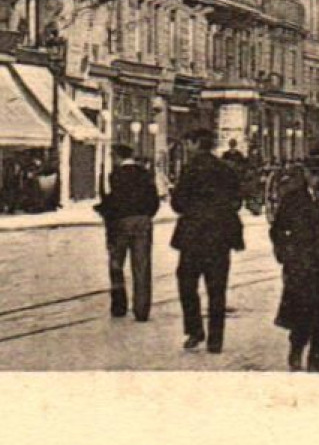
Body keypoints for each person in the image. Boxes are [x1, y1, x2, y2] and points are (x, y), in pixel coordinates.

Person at [270, 156, 319, 372]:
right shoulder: (292, 199)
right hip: (301, 267)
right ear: (305, 174)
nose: (318, 178)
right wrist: (285, 254)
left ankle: (317, 362)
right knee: (300, 317)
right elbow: (277, 230)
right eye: (314, 173)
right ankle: (296, 350)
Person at [171, 127, 244, 353]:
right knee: (217, 289)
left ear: (194, 143)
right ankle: (215, 340)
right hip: (220, 237)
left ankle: (195, 330)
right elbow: (236, 201)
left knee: (187, 283)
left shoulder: (190, 169)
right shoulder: (227, 169)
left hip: (193, 236)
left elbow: (178, 204)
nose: (187, 148)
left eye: (188, 143)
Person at [96, 143, 160, 321]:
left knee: (116, 264)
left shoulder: (115, 176)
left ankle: (119, 305)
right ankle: (142, 310)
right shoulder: (145, 174)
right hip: (143, 221)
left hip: (120, 224)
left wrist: (104, 210)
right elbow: (154, 200)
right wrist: (146, 215)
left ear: (117, 156)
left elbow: (111, 202)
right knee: (142, 266)